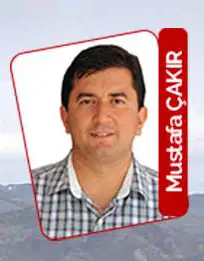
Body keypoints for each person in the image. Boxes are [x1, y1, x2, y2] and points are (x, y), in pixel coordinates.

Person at [31, 43, 164, 240]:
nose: (101, 117)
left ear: (140, 119)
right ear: (65, 118)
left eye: (117, 101)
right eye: (87, 102)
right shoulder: (32, 192)